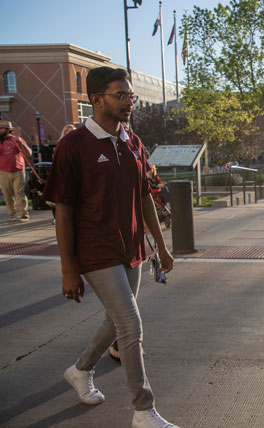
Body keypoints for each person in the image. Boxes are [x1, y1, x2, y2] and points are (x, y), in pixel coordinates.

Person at [42, 66, 180, 428]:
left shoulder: (132, 141)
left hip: (131, 248)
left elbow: (145, 196)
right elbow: (63, 210)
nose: (128, 102)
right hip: (94, 250)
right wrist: (69, 268)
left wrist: (161, 247)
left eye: (130, 95)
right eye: (121, 95)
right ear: (96, 100)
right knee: (130, 325)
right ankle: (143, 410)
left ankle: (80, 369)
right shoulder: (73, 146)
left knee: (114, 320)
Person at [0, 120, 32, 222]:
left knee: (19, 193)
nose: (0, 131)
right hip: (3, 171)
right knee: (7, 194)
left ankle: (22, 214)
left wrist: (21, 144)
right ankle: (13, 214)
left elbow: (29, 153)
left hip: (18, 170)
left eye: (2, 129)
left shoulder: (16, 139)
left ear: (8, 130)